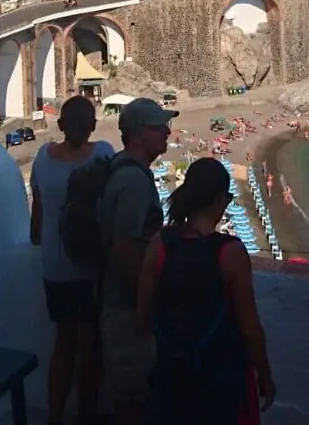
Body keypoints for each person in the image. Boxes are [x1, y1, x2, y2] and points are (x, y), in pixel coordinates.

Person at [135, 158, 276, 424]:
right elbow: (249, 329)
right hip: (219, 378)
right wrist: (265, 376)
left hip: (171, 377)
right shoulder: (230, 253)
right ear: (219, 200)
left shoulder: (160, 244)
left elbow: (143, 315)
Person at [30, 96, 116, 425]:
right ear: (93, 126)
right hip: (91, 267)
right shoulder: (102, 154)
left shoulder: (42, 159)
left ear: (60, 125)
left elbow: (37, 213)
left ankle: (54, 418)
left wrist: (40, 240)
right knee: (90, 348)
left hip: (54, 267)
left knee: (63, 346)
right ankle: (86, 416)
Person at [96, 97, 176, 425]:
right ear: (141, 134)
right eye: (161, 127)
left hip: (123, 303)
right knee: (133, 400)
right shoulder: (132, 182)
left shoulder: (127, 171)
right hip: (126, 308)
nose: (168, 133)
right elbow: (124, 247)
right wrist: (145, 305)